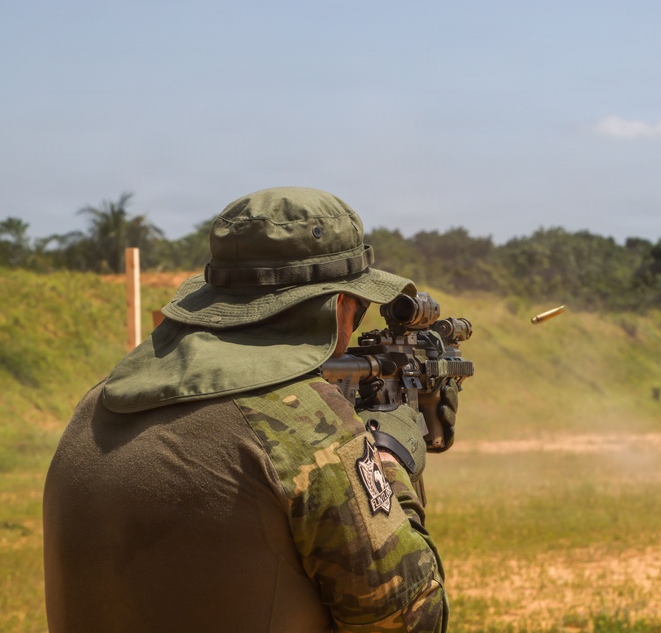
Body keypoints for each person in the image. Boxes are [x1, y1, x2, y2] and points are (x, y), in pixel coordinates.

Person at [43, 187, 454, 632]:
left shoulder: (94, 407)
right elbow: (412, 618)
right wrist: (389, 461)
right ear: (339, 306)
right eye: (361, 310)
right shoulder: (304, 429)